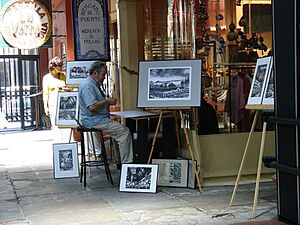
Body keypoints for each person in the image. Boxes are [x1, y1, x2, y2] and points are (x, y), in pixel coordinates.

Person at [78, 61, 133, 164]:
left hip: (98, 119)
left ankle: (120, 161)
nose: (104, 77)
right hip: (94, 120)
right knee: (124, 132)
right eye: (103, 74)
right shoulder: (88, 86)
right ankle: (127, 164)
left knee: (118, 133)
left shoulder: (93, 84)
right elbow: (92, 107)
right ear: (95, 73)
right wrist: (107, 101)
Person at [42, 56, 67, 128]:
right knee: (55, 122)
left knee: (65, 122)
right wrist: (45, 107)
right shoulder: (47, 78)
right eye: (59, 66)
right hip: (53, 101)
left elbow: (70, 87)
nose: (61, 68)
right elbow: (45, 93)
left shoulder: (63, 75)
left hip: (64, 101)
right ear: (55, 67)